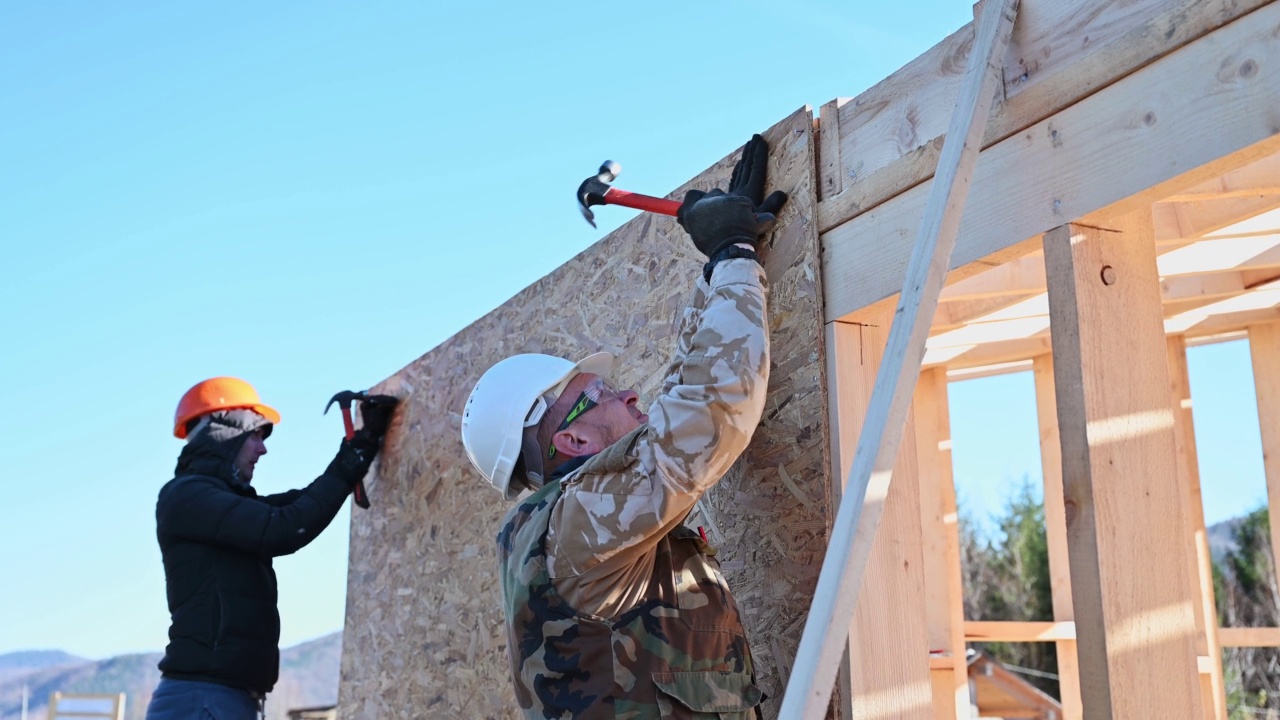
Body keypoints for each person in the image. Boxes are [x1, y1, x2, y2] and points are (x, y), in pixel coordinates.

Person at [461, 133, 786, 719]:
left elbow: (679, 406)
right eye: (602, 393)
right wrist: (735, 254)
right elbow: (708, 413)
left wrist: (716, 269)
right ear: (574, 440)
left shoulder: (570, 521)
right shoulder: (581, 519)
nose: (631, 391)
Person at [146, 377, 396, 720]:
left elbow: (295, 506)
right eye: (255, 435)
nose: (262, 450)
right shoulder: (188, 497)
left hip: (219, 699)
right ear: (225, 432)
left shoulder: (213, 504)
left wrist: (361, 446)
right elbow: (284, 526)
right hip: (203, 700)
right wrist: (353, 456)